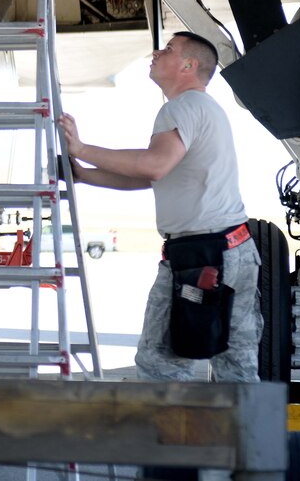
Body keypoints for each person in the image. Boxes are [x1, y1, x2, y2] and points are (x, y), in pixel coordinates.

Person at [59, 31, 261, 382]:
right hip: (234, 249)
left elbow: (153, 165)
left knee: (161, 363)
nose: (156, 52)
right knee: (237, 361)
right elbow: (153, 176)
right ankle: (251, 436)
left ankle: (165, 437)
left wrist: (81, 148)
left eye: (168, 49)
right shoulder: (204, 109)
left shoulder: (181, 109)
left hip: (202, 256)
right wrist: (84, 175)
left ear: (188, 65)